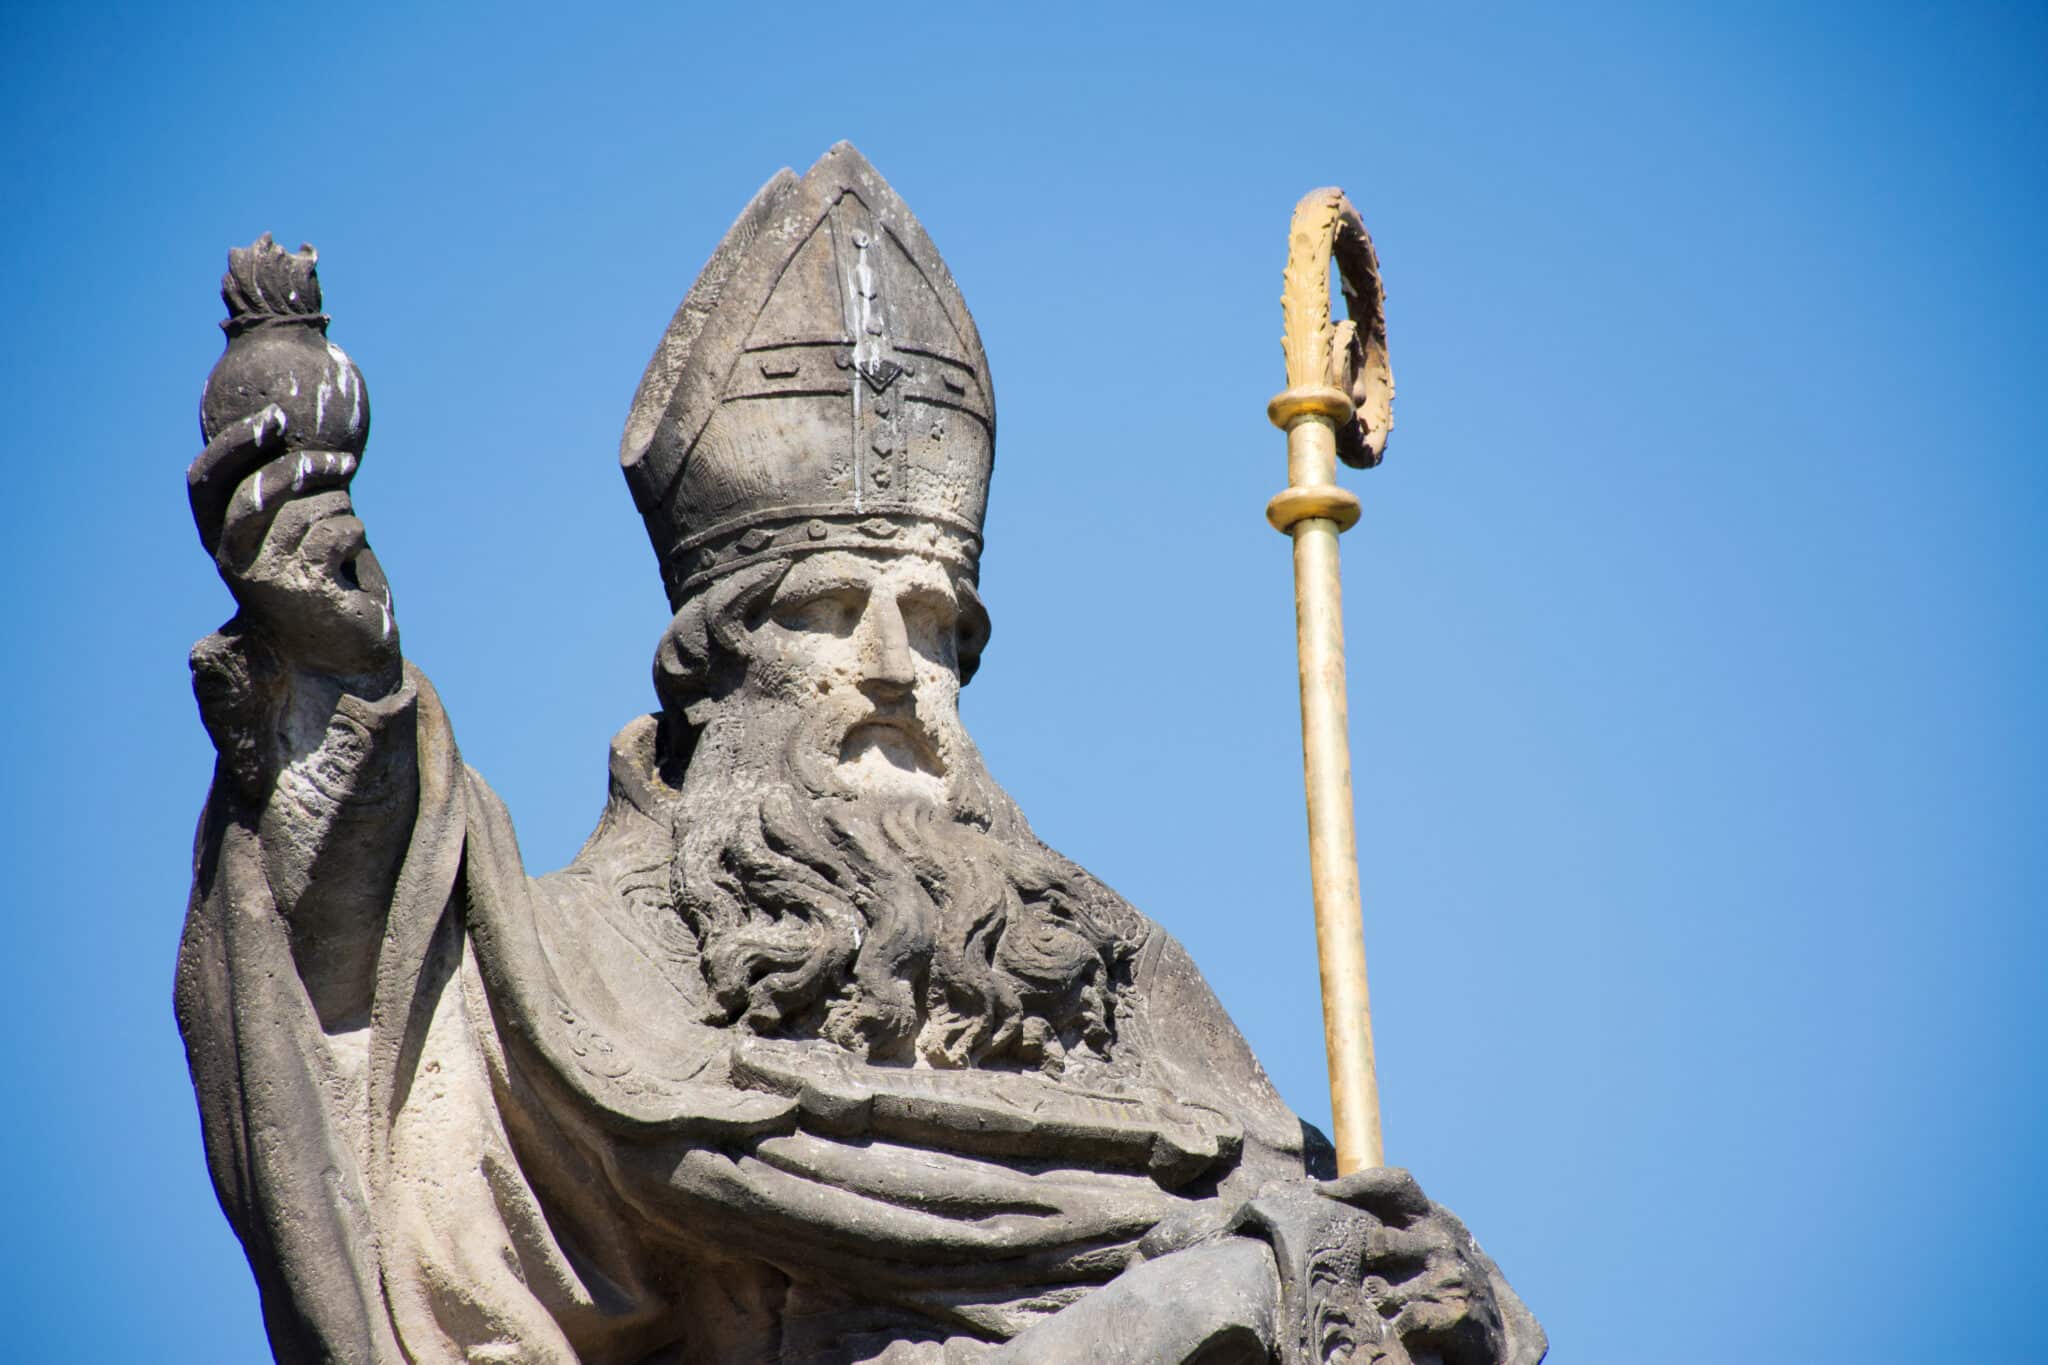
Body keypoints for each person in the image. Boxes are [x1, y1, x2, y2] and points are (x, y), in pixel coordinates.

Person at [178, 143, 1544, 1365]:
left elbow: (1325, 1230)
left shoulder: (1114, 970)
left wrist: (1401, 1283)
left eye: (937, 623)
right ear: (717, 660)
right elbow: (356, 1040)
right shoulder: (592, 974)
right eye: (834, 609)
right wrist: (333, 685)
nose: (895, 669)